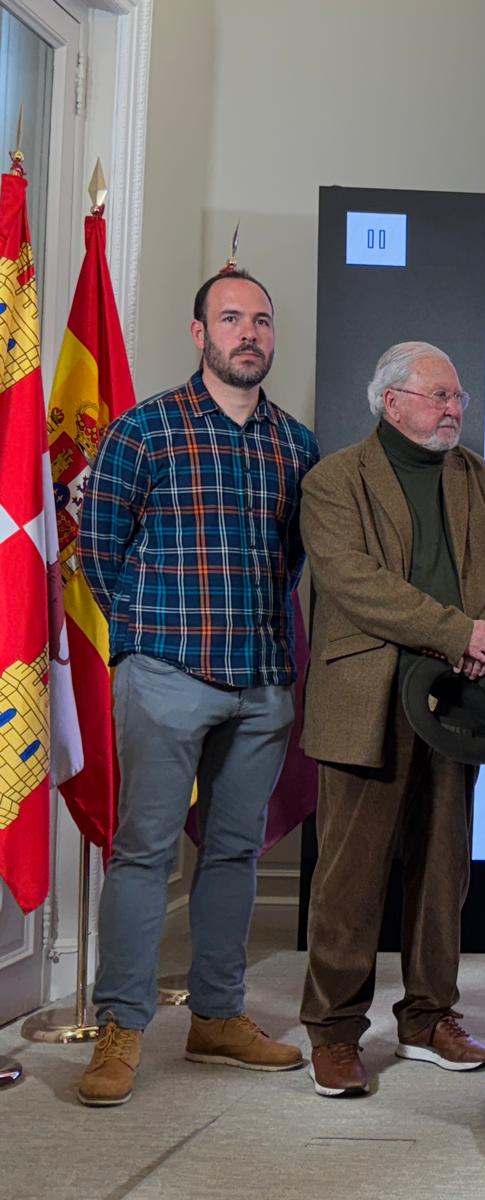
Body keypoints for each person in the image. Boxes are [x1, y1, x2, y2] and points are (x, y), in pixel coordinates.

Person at [76, 269, 318, 1107]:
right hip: (166, 676)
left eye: (261, 320)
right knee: (143, 852)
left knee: (234, 854)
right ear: (199, 333)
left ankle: (216, 1016)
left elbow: (291, 561)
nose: (249, 333)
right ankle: (121, 1026)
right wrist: (148, 638)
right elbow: (99, 551)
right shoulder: (143, 430)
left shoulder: (296, 445)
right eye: (231, 318)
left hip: (261, 684)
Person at [297, 341, 485, 1097]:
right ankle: (335, 1032)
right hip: (368, 698)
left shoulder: (475, 476)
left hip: (455, 701)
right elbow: (353, 581)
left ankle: (430, 1018)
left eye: (458, 397)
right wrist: (457, 631)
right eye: (439, 396)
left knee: (442, 870)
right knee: (350, 877)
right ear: (391, 401)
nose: (454, 409)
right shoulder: (335, 480)